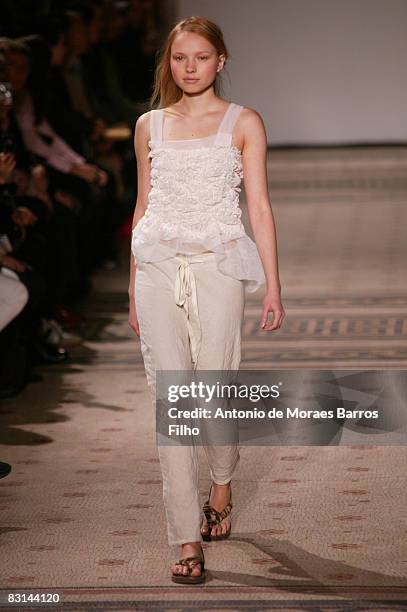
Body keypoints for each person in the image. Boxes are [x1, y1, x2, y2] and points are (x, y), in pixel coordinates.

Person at [128, 16, 285, 584]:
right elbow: (143, 206)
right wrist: (133, 286)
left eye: (200, 57)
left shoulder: (244, 122)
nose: (188, 68)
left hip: (218, 264)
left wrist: (271, 283)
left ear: (221, 61)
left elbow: (260, 208)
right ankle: (185, 538)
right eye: (178, 58)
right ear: (167, 63)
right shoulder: (150, 125)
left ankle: (221, 481)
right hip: (157, 265)